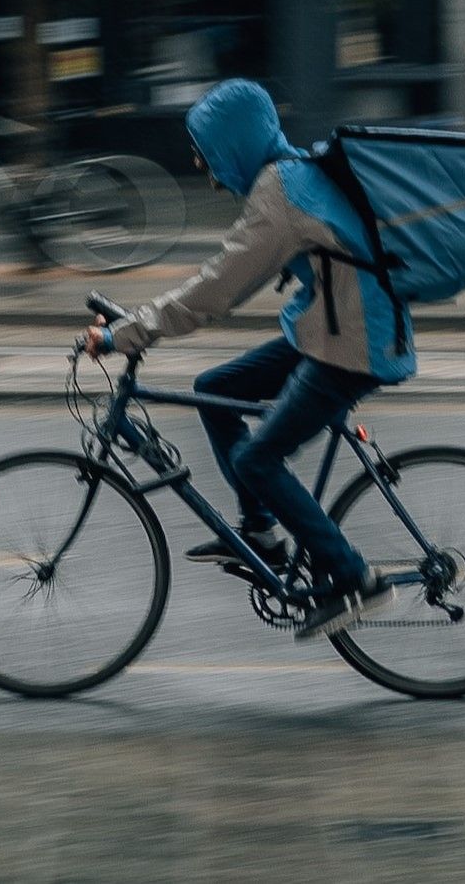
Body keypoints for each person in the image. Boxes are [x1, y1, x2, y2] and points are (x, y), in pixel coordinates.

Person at [84, 79, 413, 641]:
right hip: (331, 330)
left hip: (352, 344)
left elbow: (216, 289)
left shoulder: (281, 193)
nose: (201, 164)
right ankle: (260, 532)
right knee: (215, 390)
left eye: (205, 150)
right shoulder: (287, 175)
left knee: (258, 461)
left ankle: (357, 579)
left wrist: (127, 334)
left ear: (233, 144)